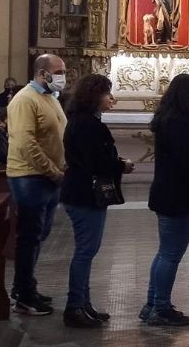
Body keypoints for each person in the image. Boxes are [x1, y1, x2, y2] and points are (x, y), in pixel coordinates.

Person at [142, 74, 189, 326]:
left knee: (165, 253)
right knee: (171, 255)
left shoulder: (169, 119)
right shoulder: (179, 124)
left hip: (168, 193)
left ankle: (153, 304)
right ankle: (160, 309)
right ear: (185, 94)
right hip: (177, 196)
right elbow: (188, 164)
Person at [60, 74, 134, 328]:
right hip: (84, 194)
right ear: (94, 96)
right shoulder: (89, 125)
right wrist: (121, 165)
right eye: (107, 93)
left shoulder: (84, 121)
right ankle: (74, 306)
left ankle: (84, 304)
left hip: (80, 191)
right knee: (85, 252)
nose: (111, 98)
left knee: (87, 252)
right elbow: (96, 162)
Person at [6, 54, 68, 316]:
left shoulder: (48, 98)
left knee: (38, 235)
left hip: (48, 177)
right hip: (30, 176)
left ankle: (27, 286)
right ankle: (23, 294)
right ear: (42, 73)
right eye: (59, 71)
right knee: (29, 236)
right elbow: (25, 142)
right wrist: (51, 171)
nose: (63, 75)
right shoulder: (24, 99)